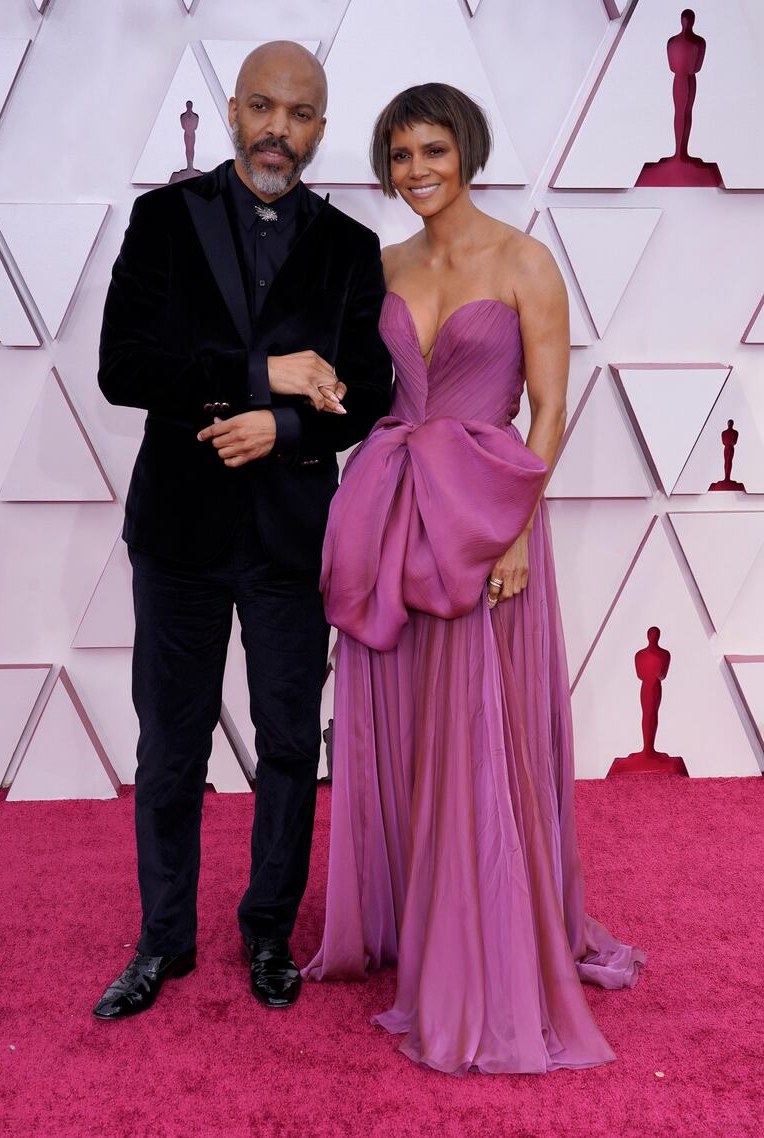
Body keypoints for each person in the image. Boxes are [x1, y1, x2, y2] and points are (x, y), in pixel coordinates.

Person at [304, 83, 646, 1074]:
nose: (415, 171)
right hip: (392, 513)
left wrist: (514, 531)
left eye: (432, 151)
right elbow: (367, 385)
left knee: (474, 732)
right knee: (405, 719)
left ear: (467, 151)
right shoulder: (382, 265)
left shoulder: (525, 259)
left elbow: (547, 408)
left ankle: (483, 931)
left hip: (482, 525)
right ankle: (418, 911)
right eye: (399, 155)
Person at [93, 42, 392, 1020]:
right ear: (230, 111)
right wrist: (260, 379)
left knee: (283, 743)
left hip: (288, 533)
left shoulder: (349, 247)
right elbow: (126, 367)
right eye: (261, 107)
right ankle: (162, 939)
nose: (277, 129)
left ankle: (267, 928)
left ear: (318, 126)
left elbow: (370, 389)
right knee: (172, 742)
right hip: (177, 529)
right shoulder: (162, 219)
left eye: (298, 113)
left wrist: (285, 424)